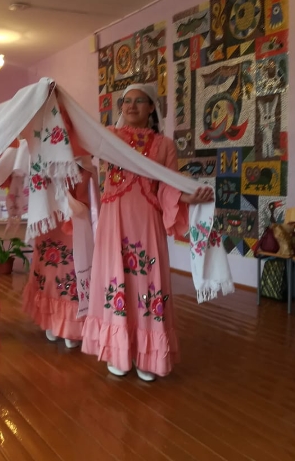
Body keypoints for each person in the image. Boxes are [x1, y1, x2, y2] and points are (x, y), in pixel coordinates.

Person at [81, 83, 213, 381]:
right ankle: (117, 351)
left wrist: (188, 197)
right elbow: (79, 137)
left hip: (147, 223)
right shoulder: (109, 137)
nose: (131, 106)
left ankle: (147, 354)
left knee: (147, 283)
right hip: (114, 221)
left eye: (139, 101)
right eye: (126, 101)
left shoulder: (164, 145)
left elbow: (168, 186)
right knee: (116, 279)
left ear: (152, 107)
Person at [23, 161, 92, 348]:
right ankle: (51, 320)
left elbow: (84, 205)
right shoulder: (41, 163)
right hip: (49, 222)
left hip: (71, 224)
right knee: (49, 271)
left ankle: (69, 325)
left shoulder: (83, 166)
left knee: (68, 269)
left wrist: (64, 193)